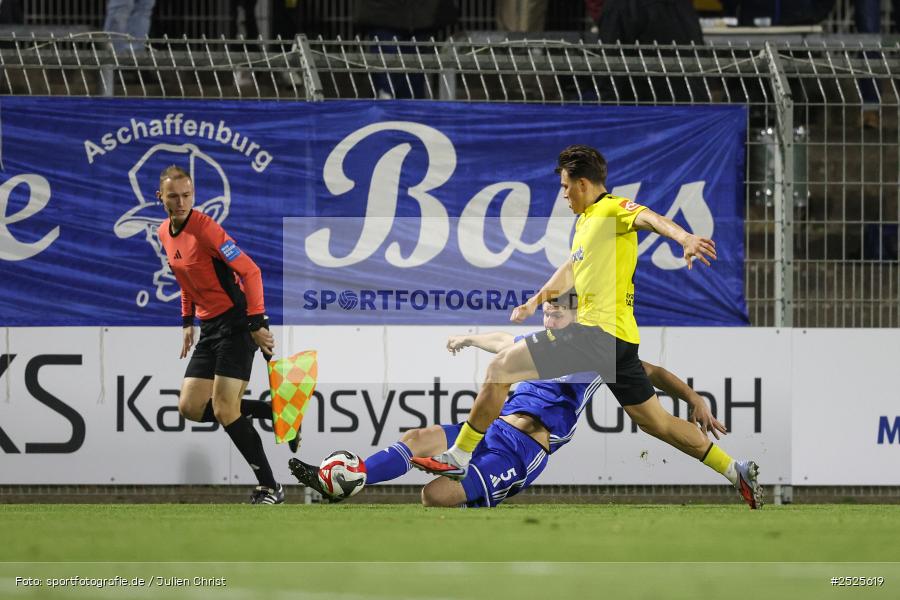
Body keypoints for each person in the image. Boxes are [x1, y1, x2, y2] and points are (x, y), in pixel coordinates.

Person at [411, 145, 761, 508]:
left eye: (565, 186)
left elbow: (652, 218)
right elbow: (571, 269)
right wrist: (535, 301)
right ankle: (734, 469)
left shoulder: (611, 208)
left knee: (501, 367)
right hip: (619, 341)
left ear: (582, 183)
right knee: (657, 423)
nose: (563, 194)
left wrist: (685, 239)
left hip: (595, 334)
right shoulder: (586, 223)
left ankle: (459, 456)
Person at [290, 294, 760, 508]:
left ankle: (476, 488)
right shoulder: (536, 345)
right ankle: (348, 479)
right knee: (416, 436)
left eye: (559, 311)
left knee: (432, 497)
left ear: (578, 317)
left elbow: (652, 374)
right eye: (547, 310)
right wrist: (468, 338)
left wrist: (693, 397)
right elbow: (501, 341)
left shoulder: (595, 352)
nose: (550, 316)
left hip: (524, 451)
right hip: (493, 430)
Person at [156, 165, 283, 504]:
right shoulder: (164, 232)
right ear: (160, 197)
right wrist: (187, 320)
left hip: (237, 324)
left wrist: (256, 324)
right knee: (190, 406)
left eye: (186, 195)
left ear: (193, 195)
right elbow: (185, 278)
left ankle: (270, 487)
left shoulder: (207, 230)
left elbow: (250, 271)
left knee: (226, 409)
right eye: (173, 196)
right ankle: (273, 411)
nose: (180, 202)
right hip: (210, 327)